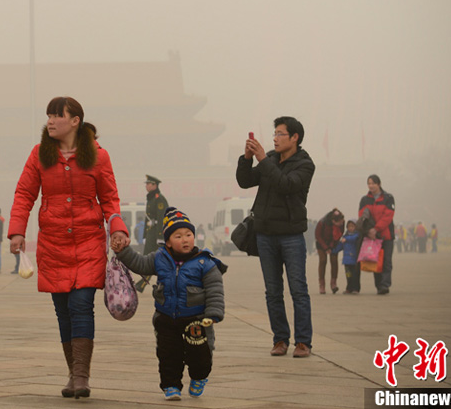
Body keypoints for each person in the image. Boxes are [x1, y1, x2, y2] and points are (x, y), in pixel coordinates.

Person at [8, 96, 130, 399]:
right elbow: (24, 194)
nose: (50, 121)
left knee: (80, 306)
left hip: (88, 242)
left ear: (75, 120)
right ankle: (73, 372)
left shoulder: (99, 157)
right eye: (49, 115)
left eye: (57, 116)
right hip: (53, 244)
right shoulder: (39, 155)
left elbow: (110, 199)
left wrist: (117, 228)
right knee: (63, 311)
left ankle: (81, 376)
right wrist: (16, 232)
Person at [114, 208, 225, 400]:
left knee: (200, 356)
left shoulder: (205, 263)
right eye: (178, 236)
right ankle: (171, 386)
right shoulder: (159, 258)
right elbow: (139, 263)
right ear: (168, 242)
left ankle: (199, 377)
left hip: (196, 320)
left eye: (189, 235)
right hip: (166, 318)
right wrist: (123, 251)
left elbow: (215, 290)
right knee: (167, 355)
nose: (185, 239)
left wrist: (213, 314)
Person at [236, 116, 315, 358]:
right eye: (275, 134)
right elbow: (245, 181)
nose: (275, 138)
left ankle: (303, 342)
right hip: (265, 234)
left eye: (281, 134)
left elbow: (286, 185)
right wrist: (247, 158)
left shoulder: (305, 164)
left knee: (298, 289)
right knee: (272, 291)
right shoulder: (270, 158)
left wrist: (261, 159)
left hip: (291, 236)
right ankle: (280, 339)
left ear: (294, 138)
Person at [359, 174, 396, 294]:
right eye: (369, 183)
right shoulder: (365, 200)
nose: (371, 186)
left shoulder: (388, 198)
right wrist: (369, 231)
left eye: (373, 183)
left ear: (378, 184)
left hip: (386, 235)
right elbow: (362, 216)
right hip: (372, 236)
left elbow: (388, 216)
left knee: (386, 261)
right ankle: (379, 285)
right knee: (375, 260)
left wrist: (376, 229)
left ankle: (385, 285)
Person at [314, 208, 345, 294]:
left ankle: (333, 283)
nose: (341, 223)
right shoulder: (322, 222)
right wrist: (326, 248)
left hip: (334, 243)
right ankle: (322, 284)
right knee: (323, 260)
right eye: (339, 222)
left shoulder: (341, 223)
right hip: (321, 243)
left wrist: (331, 246)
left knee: (334, 261)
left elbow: (340, 233)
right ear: (333, 221)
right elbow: (318, 235)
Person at [340, 220, 361, 294]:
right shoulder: (344, 236)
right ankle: (349, 288)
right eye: (349, 226)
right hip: (346, 260)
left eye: (352, 226)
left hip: (355, 259)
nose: (351, 228)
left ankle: (356, 289)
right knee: (348, 275)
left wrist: (346, 239)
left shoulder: (357, 235)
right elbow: (340, 246)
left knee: (355, 275)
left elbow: (354, 238)